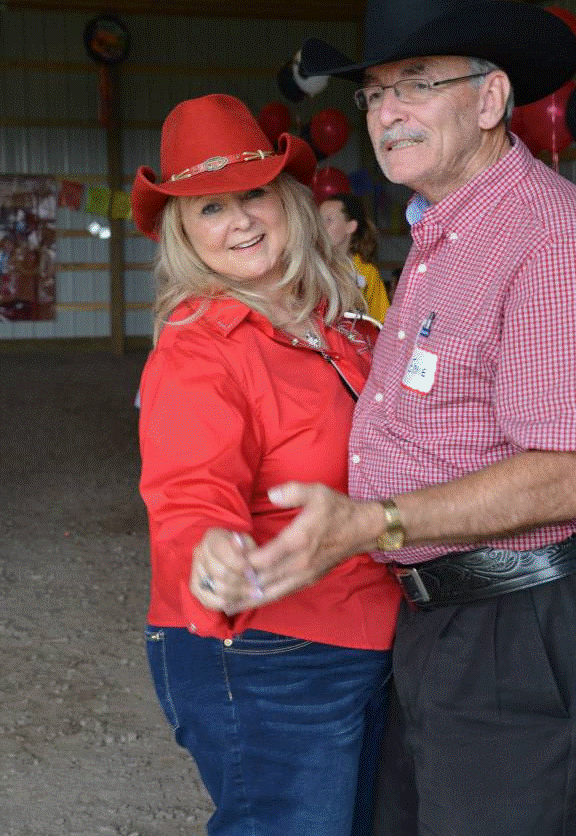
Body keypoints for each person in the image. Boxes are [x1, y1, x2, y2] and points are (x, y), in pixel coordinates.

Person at [227, 0, 576, 836]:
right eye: (376, 93)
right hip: (442, 621)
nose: (386, 113)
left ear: (491, 101)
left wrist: (371, 524)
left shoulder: (552, 237)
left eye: (418, 85)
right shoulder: (442, 233)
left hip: (526, 627)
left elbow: (565, 477)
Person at [130, 94, 401, 836]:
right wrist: (212, 548)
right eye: (210, 208)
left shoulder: (336, 326)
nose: (241, 220)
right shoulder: (198, 349)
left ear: (289, 200)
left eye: (253, 195)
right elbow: (189, 489)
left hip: (373, 632)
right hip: (270, 652)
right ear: (184, 232)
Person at [319, 192, 390, 322]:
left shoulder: (367, 272)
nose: (320, 227)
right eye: (318, 220)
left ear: (351, 226)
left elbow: (379, 322)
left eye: (329, 220)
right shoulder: (311, 266)